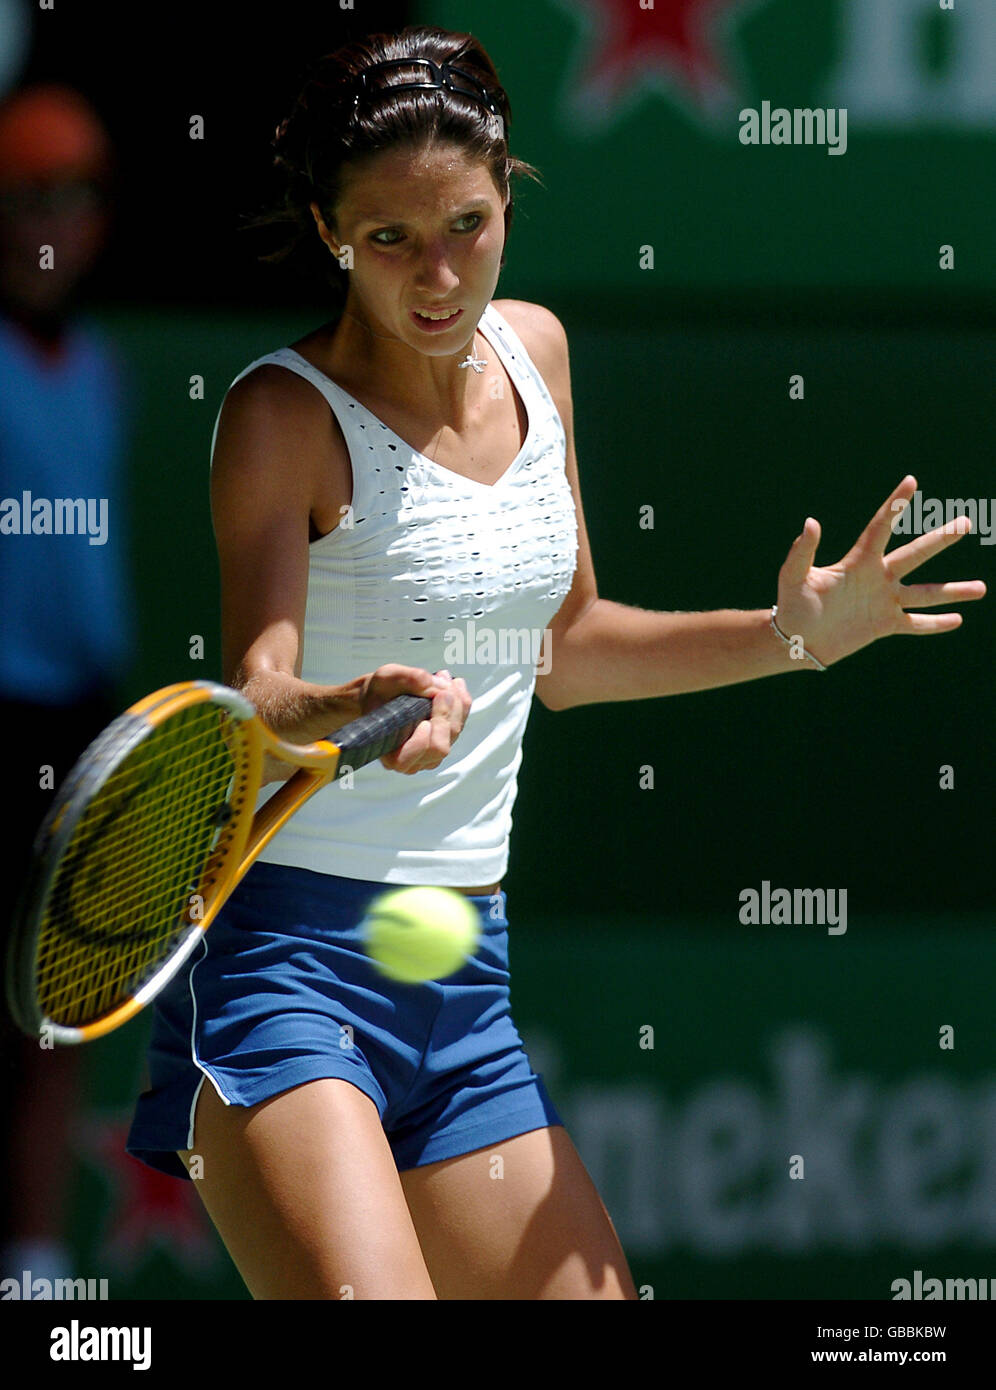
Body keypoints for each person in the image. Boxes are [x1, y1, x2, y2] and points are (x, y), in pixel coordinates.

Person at [124, 25, 985, 1300]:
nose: (437, 274)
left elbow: (567, 649)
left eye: (467, 224)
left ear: (508, 189)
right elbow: (258, 686)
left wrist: (796, 636)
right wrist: (352, 703)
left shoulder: (541, 352)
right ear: (329, 232)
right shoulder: (279, 414)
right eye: (390, 239)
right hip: (284, 965)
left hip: (461, 970)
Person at [0, 84, 133, 1286]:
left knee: (56, 1007)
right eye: (34, 195)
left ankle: (34, 1268)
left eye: (77, 197)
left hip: (82, 717)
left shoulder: (101, 366)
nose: (58, 221)